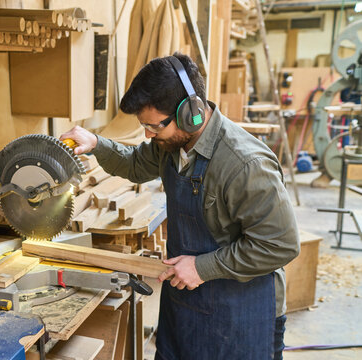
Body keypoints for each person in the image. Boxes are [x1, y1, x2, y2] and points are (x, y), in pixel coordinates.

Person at [60, 53, 300, 360]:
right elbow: (135, 165)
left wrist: (202, 267)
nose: (147, 134)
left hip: (240, 314)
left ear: (192, 113)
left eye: (154, 126)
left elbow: (280, 245)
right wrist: (95, 142)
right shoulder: (172, 145)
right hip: (186, 303)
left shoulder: (245, 165)